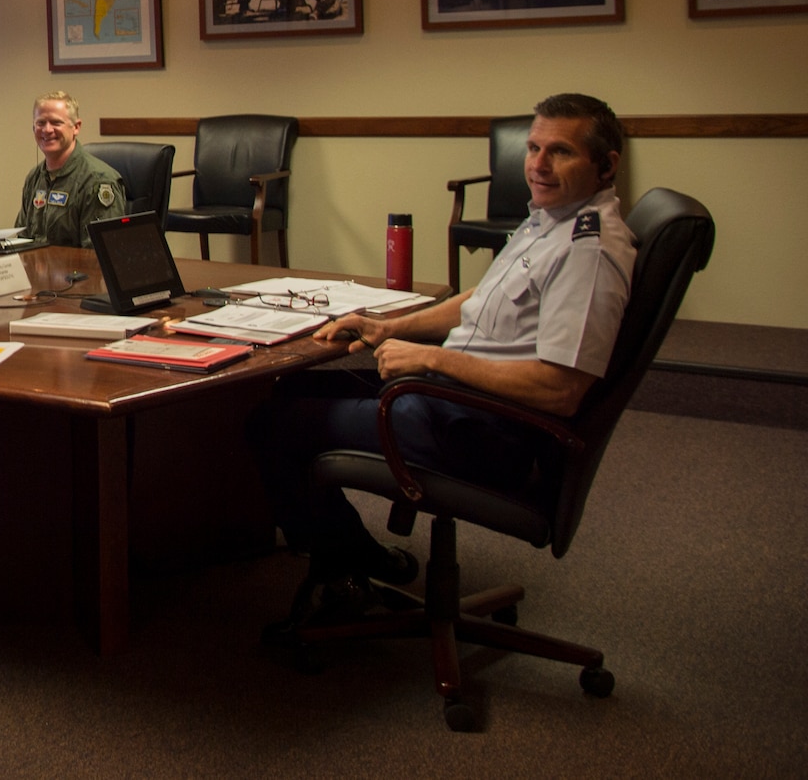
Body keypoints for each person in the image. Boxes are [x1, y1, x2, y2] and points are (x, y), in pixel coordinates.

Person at [251, 93, 637, 635]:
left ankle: (345, 564)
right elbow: (481, 300)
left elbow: (559, 391)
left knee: (272, 425)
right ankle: (357, 556)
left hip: (483, 431)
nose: (538, 164)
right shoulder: (551, 217)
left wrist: (432, 358)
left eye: (561, 152)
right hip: (452, 398)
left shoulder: (587, 252)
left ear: (606, 164)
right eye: (533, 147)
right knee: (286, 391)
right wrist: (389, 328)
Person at [14, 92, 125, 248]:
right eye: (41, 123)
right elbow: (23, 240)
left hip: (81, 271)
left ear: (76, 127)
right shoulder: (35, 177)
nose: (47, 130)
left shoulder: (98, 181)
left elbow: (97, 253)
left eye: (56, 122)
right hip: (37, 270)